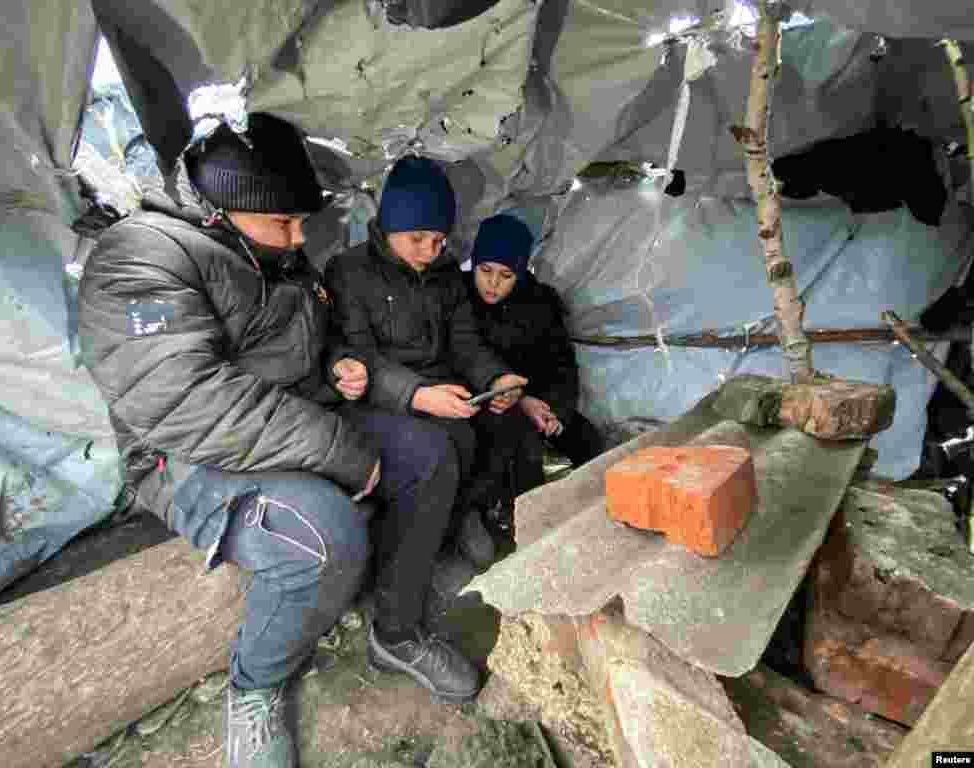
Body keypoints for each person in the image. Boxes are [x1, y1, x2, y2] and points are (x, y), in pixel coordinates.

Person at [77, 113, 481, 768]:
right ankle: (255, 686)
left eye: (301, 222)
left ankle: (396, 631)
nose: (299, 239)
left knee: (430, 453)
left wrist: (340, 368)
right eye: (284, 224)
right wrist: (344, 452)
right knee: (320, 533)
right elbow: (184, 398)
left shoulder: (279, 257)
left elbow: (309, 350)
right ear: (218, 209)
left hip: (293, 422)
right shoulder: (141, 256)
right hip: (186, 454)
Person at [323, 155, 529, 572]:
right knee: (445, 442)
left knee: (503, 423)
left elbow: (465, 342)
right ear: (389, 225)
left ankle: (459, 516)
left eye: (438, 240)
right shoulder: (349, 271)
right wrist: (418, 395)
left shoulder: (447, 272)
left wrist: (496, 377)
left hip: (441, 387)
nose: (430, 251)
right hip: (380, 396)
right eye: (418, 238)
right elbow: (357, 354)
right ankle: (415, 542)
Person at [467, 213, 604, 525]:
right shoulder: (461, 301)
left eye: (506, 275)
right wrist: (520, 401)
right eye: (485, 270)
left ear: (520, 273)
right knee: (522, 446)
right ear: (474, 263)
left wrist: (556, 410)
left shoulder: (539, 303)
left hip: (539, 401)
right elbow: (466, 363)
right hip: (489, 404)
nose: (492, 283)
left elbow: (561, 365)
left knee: (587, 439)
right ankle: (521, 527)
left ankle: (593, 518)